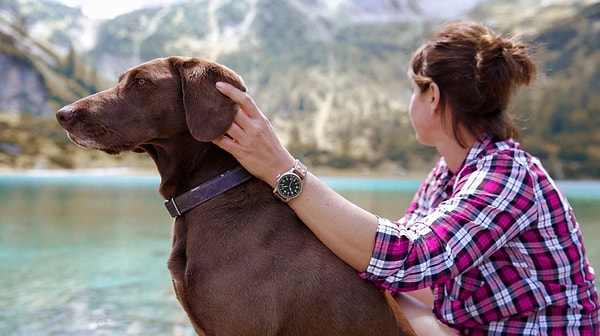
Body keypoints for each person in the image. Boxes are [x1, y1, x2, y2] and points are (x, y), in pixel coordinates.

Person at [212, 21, 599, 335]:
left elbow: (408, 259)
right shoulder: (450, 174)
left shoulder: (508, 175)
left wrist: (281, 168)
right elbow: (389, 266)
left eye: (415, 89)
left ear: (432, 95)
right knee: (372, 290)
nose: (410, 102)